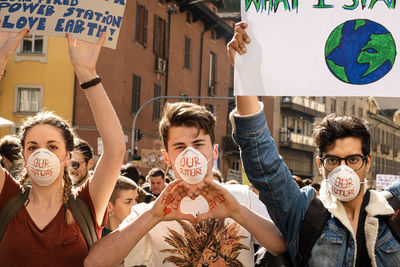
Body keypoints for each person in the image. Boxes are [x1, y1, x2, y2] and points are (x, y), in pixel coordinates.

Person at [228, 22, 400, 266]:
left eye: (352, 159)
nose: (344, 169)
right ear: (320, 164)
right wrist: (245, 75)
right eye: (333, 160)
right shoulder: (304, 214)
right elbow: (262, 162)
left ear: (367, 162)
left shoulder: (394, 210)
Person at [84, 102, 286, 267]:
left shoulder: (242, 197)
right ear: (167, 157)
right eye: (180, 147)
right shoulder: (150, 211)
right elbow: (95, 262)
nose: (191, 154)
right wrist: (153, 217)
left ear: (214, 152)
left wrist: (238, 213)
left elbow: (280, 245)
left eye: (198, 144)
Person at [0, 29, 125, 266]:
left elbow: (116, 148)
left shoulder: (87, 203)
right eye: (32, 146)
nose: (41, 153)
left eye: (52, 146)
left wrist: (88, 74)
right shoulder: (7, 197)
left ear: (67, 157)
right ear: (24, 156)